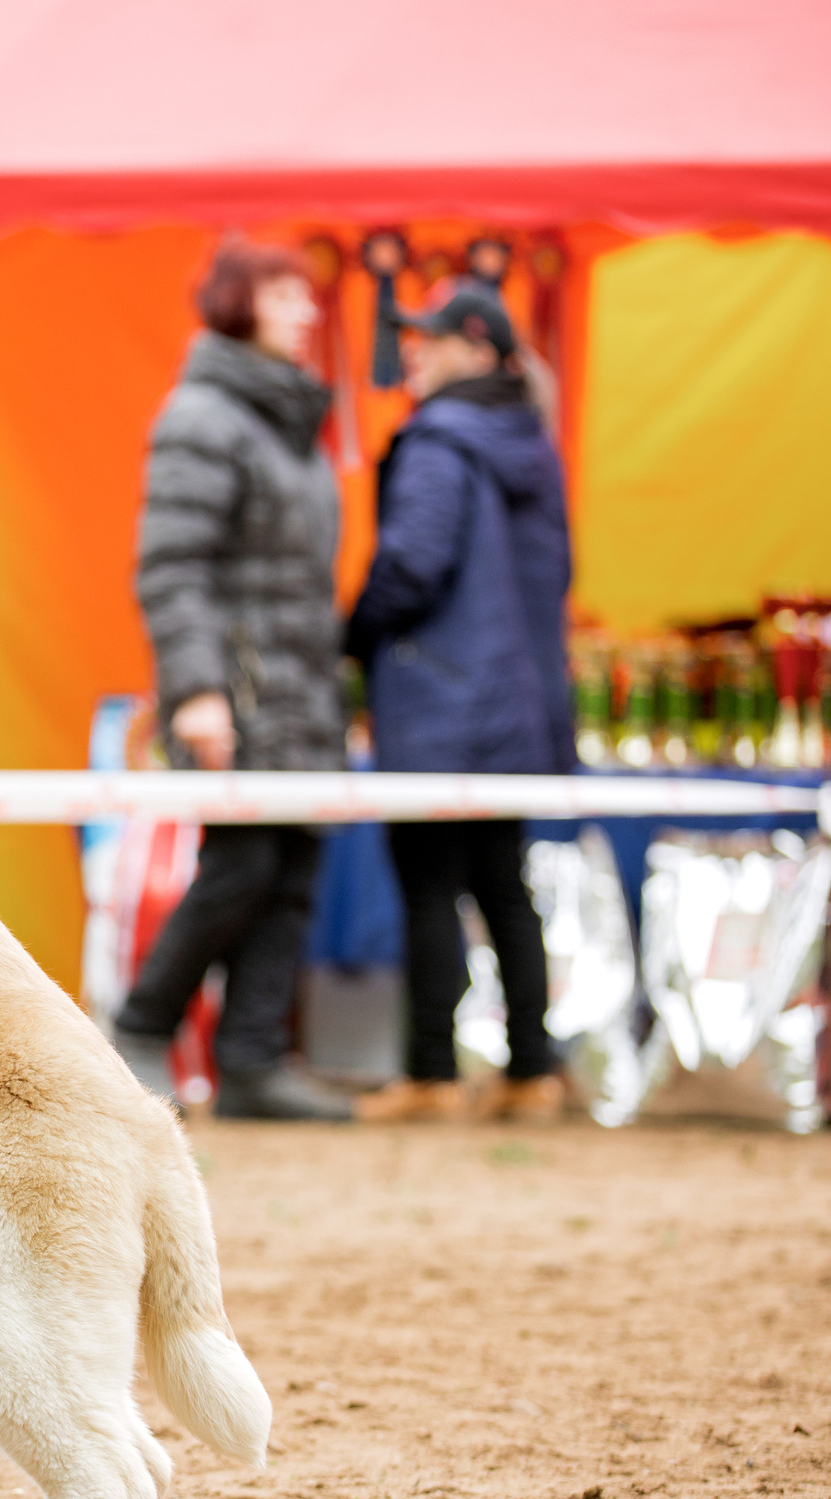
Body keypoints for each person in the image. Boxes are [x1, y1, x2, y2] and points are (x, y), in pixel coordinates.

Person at [108, 239, 353, 1122]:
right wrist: (199, 691)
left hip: (303, 694)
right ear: (238, 304)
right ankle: (139, 1029)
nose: (307, 312)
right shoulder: (202, 416)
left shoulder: (289, 423)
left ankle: (252, 1062)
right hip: (240, 695)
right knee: (239, 870)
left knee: (291, 874)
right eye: (286, 295)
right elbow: (172, 569)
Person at [344, 280, 572, 1123]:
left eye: (430, 338)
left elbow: (411, 563)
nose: (413, 350)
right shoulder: (530, 442)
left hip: (439, 703)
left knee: (429, 885)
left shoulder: (440, 439)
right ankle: (531, 1072)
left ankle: (431, 1075)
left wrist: (354, 634)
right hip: (513, 705)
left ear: (477, 350)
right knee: (504, 886)